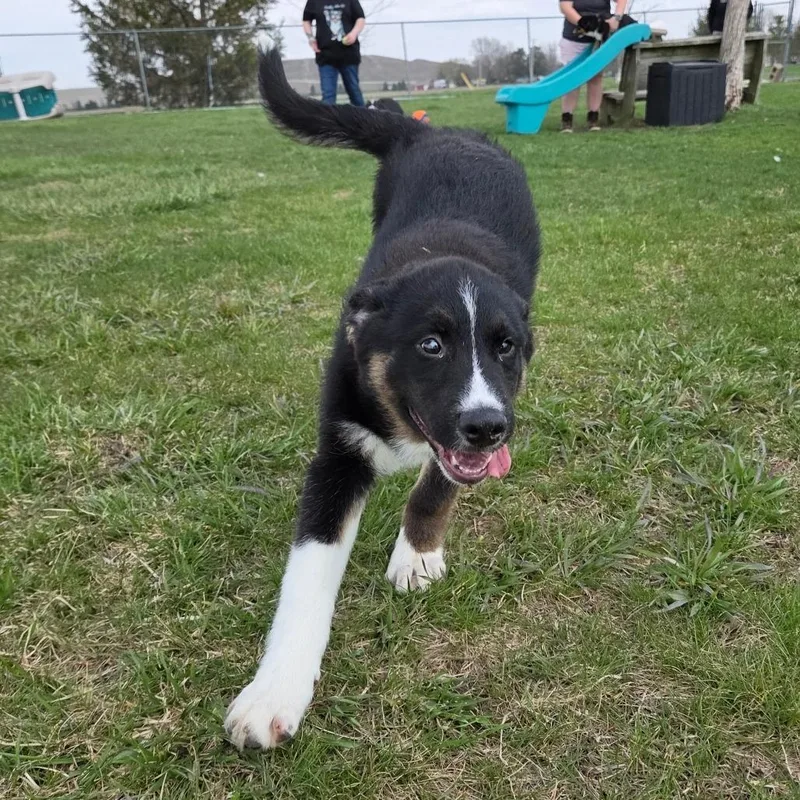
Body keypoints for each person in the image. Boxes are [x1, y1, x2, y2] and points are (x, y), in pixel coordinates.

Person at [558, 0, 628, 132]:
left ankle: (593, 119)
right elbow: (565, 8)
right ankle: (567, 119)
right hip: (574, 38)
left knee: (596, 77)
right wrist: (585, 24)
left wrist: (616, 18)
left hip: (598, 38)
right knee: (572, 79)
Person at [302, 0, 366, 107]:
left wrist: (354, 34)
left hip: (349, 55)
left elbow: (360, 18)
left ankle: (364, 122)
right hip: (325, 56)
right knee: (328, 96)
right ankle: (328, 123)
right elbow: (306, 20)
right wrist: (311, 38)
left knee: (354, 92)